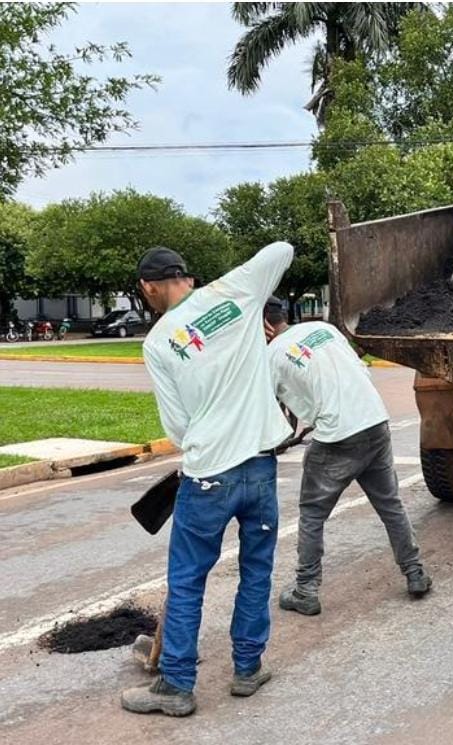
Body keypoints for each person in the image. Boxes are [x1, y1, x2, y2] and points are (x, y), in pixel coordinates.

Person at [121, 242, 294, 717]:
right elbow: (283, 249)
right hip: (260, 468)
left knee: (188, 581)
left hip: (208, 477)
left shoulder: (158, 342)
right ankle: (247, 668)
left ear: (149, 288)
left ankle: (176, 685)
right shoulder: (234, 292)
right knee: (256, 571)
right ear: (186, 276)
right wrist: (235, 288)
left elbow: (177, 426)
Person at [263, 297, 431, 616]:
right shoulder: (321, 328)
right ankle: (415, 573)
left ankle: (306, 590)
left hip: (338, 436)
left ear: (264, 325)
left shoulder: (270, 356)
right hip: (374, 421)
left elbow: (270, 418)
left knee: (312, 514)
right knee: (390, 503)